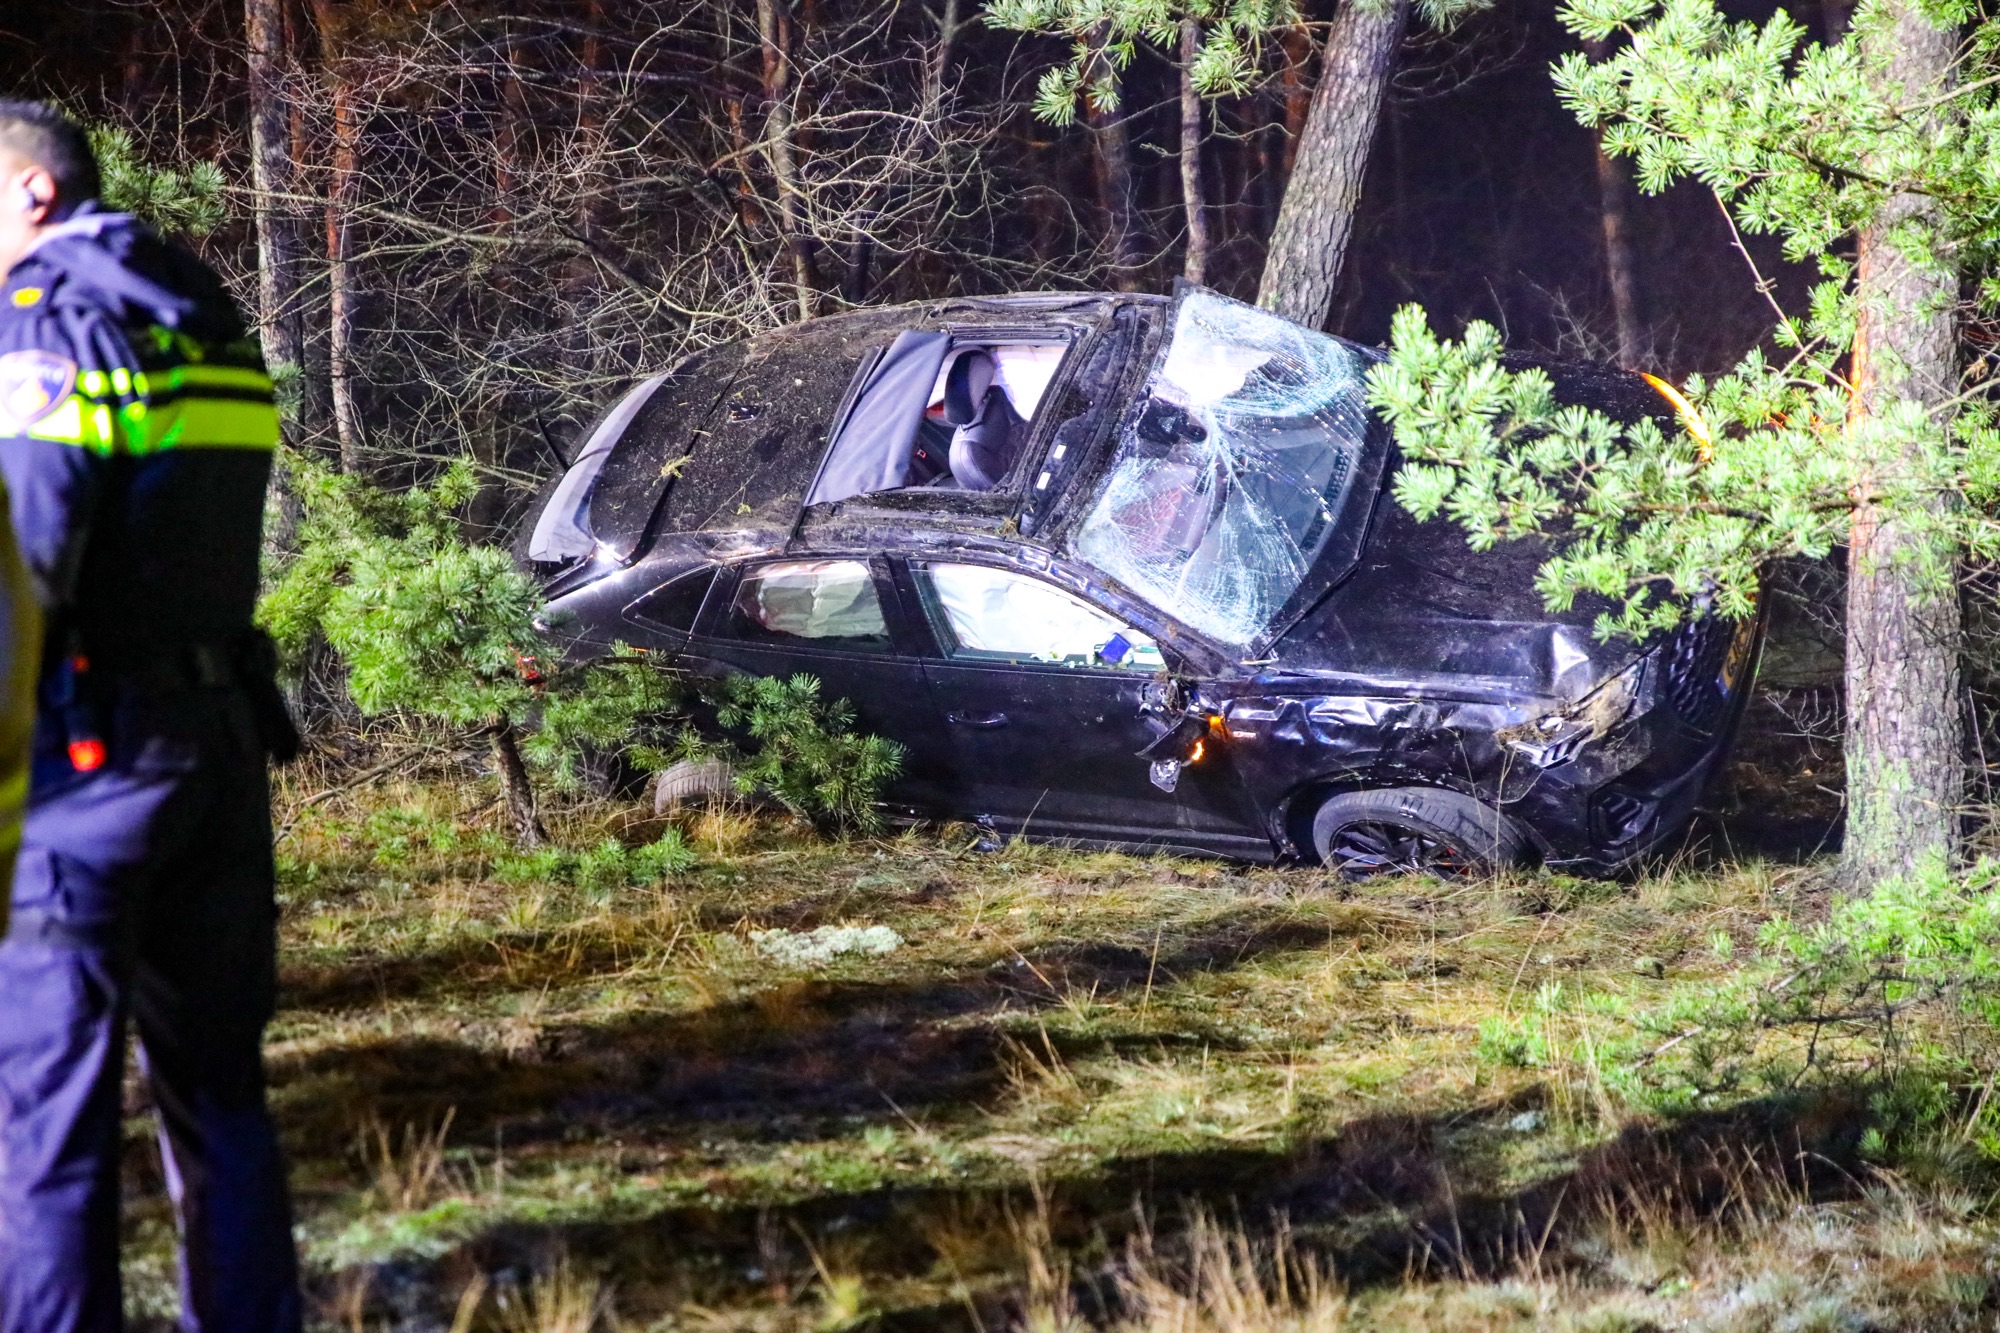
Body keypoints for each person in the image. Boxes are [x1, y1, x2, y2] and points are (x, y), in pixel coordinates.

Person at [0, 101, 302, 1332]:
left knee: (45, 1122)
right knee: (217, 1096)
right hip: (218, 755)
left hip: (81, 775)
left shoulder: (46, 322)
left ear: (31, 194)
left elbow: (19, 568)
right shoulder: (205, 314)